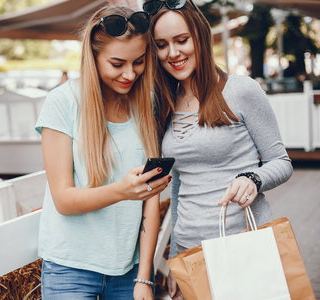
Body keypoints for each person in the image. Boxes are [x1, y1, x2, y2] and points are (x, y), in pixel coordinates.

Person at [143, 0, 293, 299]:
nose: (172, 53)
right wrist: (175, 256)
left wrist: (253, 179)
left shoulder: (241, 90)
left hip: (244, 242)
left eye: (181, 40)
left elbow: (282, 161)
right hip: (190, 250)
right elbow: (179, 183)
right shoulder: (163, 103)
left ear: (200, 36)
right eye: (161, 45)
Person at [35, 5, 172, 300]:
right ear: (93, 57)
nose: (129, 73)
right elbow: (63, 200)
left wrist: (144, 278)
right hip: (69, 268)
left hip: (129, 271)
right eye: (117, 63)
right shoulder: (63, 102)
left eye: (139, 62)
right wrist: (122, 191)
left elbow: (150, 200)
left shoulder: (147, 104)